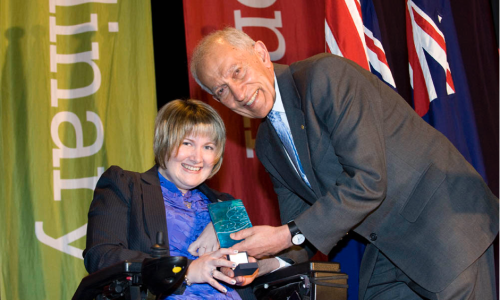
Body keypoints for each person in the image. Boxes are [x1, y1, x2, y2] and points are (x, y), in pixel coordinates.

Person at [190, 27, 500, 299]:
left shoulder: (324, 76)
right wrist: (265, 263)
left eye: (237, 72)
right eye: (222, 91)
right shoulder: (268, 147)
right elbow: (302, 229)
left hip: (443, 223)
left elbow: (368, 181)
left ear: (261, 53)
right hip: (390, 247)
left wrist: (282, 235)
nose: (239, 93)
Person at [83, 99, 257, 299]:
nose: (197, 158)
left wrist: (238, 261)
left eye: (208, 147)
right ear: (164, 141)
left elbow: (247, 266)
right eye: (187, 143)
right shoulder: (126, 185)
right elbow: (101, 256)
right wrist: (186, 271)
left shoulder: (225, 205)